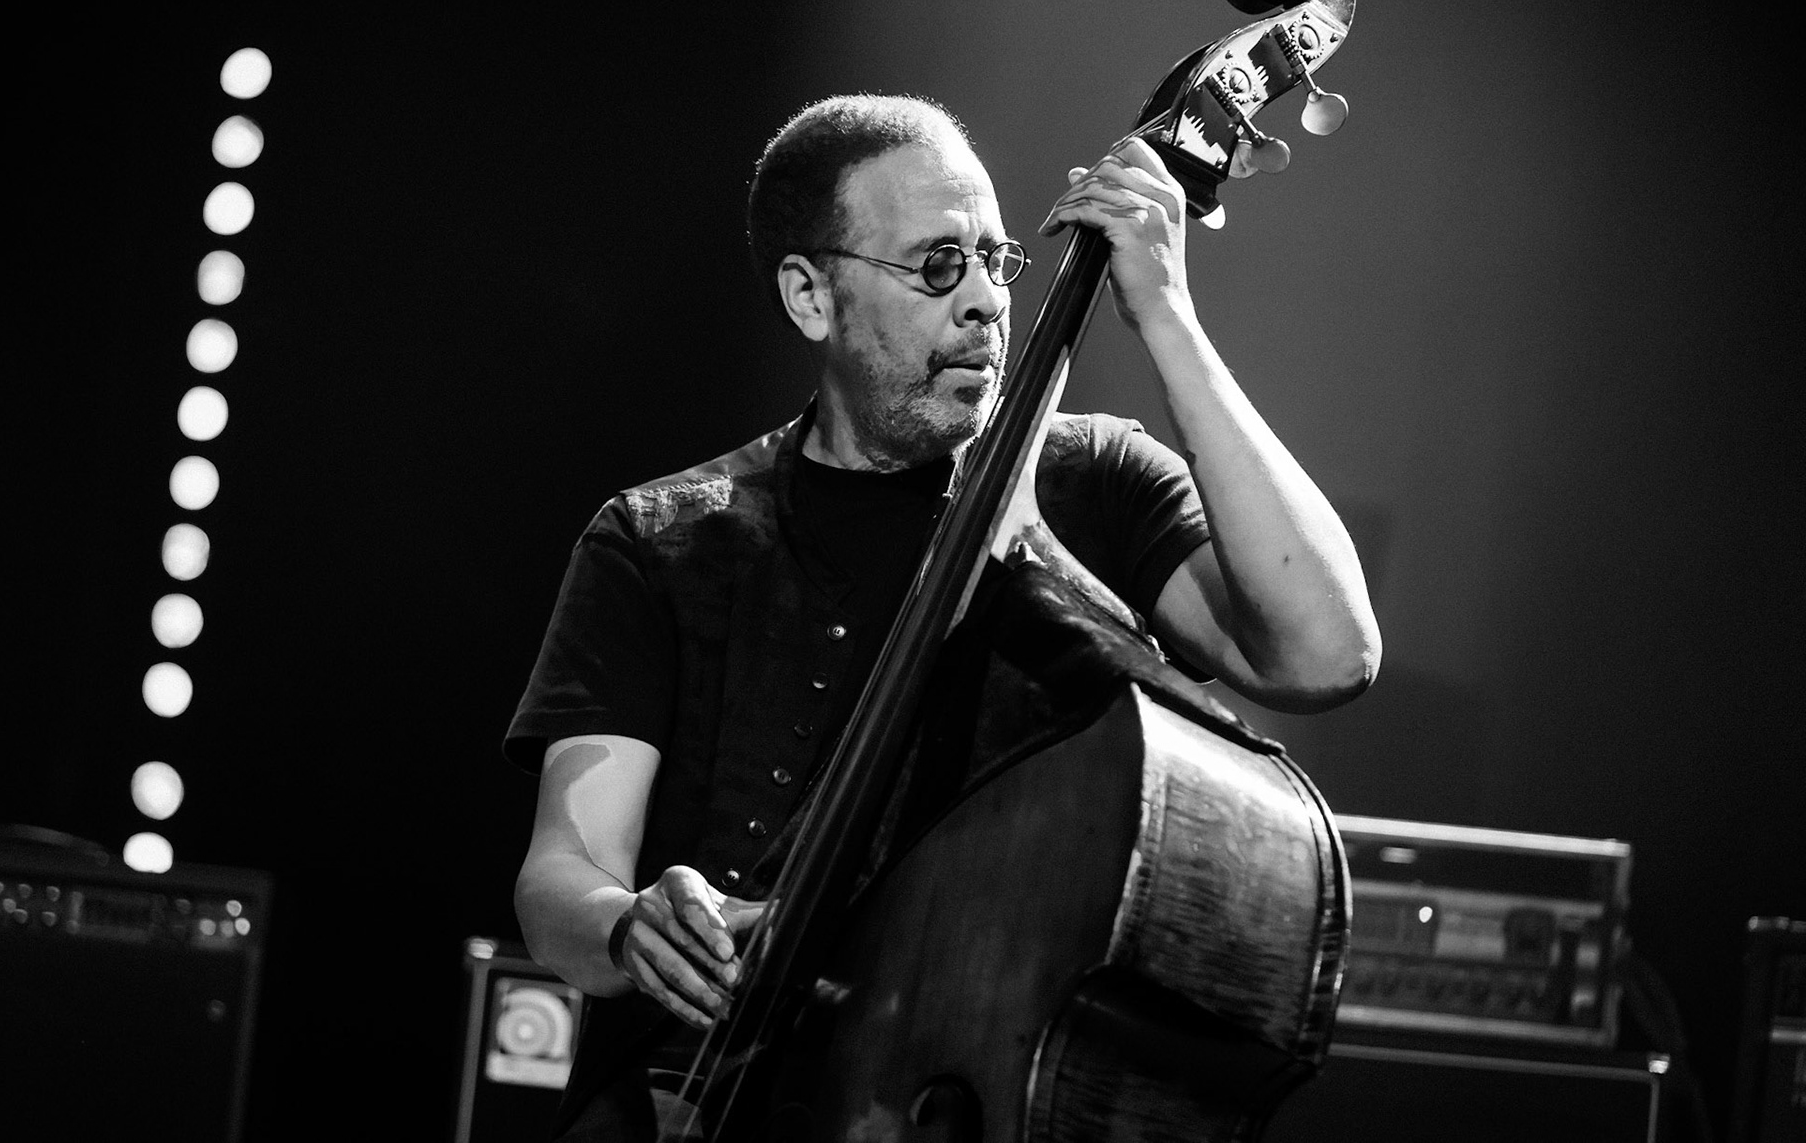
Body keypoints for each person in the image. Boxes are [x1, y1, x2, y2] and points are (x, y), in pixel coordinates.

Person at [505, 93, 1380, 1139]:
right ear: (810, 295)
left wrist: (1167, 315)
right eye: (935, 265)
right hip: (691, 1095)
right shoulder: (661, 539)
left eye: (996, 260)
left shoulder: (1092, 482)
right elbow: (561, 874)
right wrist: (627, 922)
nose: (983, 301)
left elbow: (1327, 651)